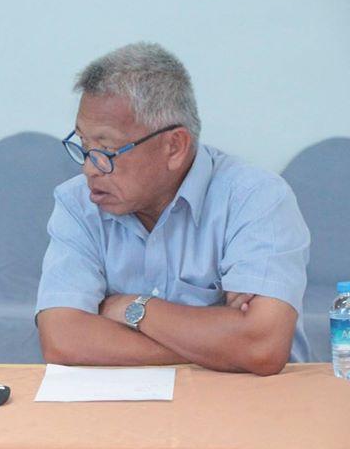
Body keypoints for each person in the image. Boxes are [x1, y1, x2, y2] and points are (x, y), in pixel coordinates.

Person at [35, 42, 311, 376]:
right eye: (83, 144)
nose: (89, 168)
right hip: (123, 402)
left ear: (174, 147)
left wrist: (133, 309)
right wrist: (220, 343)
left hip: (251, 400)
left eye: (106, 150)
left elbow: (261, 345)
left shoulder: (256, 198)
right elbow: (63, 339)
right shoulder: (78, 203)